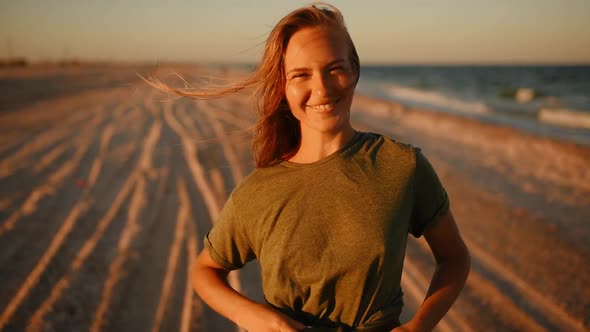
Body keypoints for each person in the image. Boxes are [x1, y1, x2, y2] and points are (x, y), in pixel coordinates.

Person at [149, 3, 470, 331]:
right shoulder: (257, 192)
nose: (322, 87)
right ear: (283, 87)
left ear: (355, 71)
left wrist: (417, 327)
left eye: (334, 68)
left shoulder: (402, 166)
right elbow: (205, 271)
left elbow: (454, 258)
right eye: (301, 75)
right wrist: (256, 318)